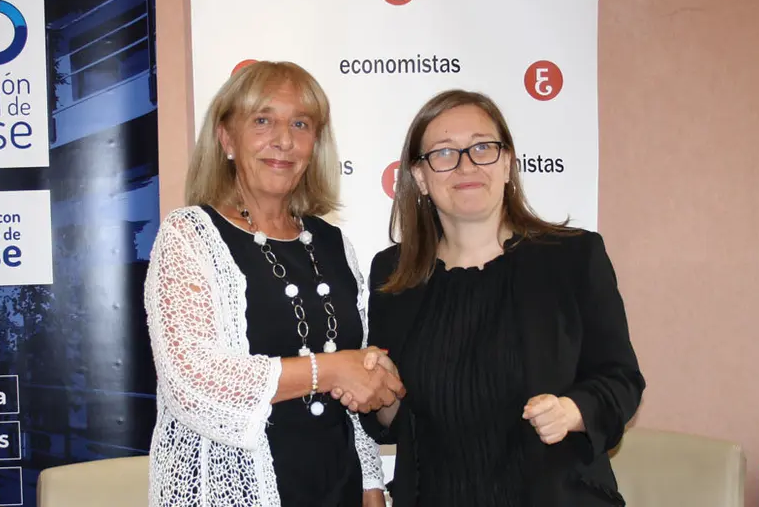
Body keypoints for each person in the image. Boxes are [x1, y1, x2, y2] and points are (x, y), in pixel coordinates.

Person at [352, 89, 646, 506]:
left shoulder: (573, 257)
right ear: (420, 177)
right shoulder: (394, 273)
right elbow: (392, 420)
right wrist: (378, 389)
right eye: (444, 153)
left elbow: (621, 380)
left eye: (482, 148)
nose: (466, 165)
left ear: (507, 163)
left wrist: (572, 410)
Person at [143, 61, 403, 507]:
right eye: (263, 120)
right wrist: (332, 368)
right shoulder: (189, 235)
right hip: (237, 492)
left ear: (314, 144)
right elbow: (192, 382)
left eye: (300, 124)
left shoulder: (333, 242)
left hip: (336, 486)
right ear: (226, 138)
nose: (283, 140)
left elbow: (353, 392)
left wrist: (371, 484)